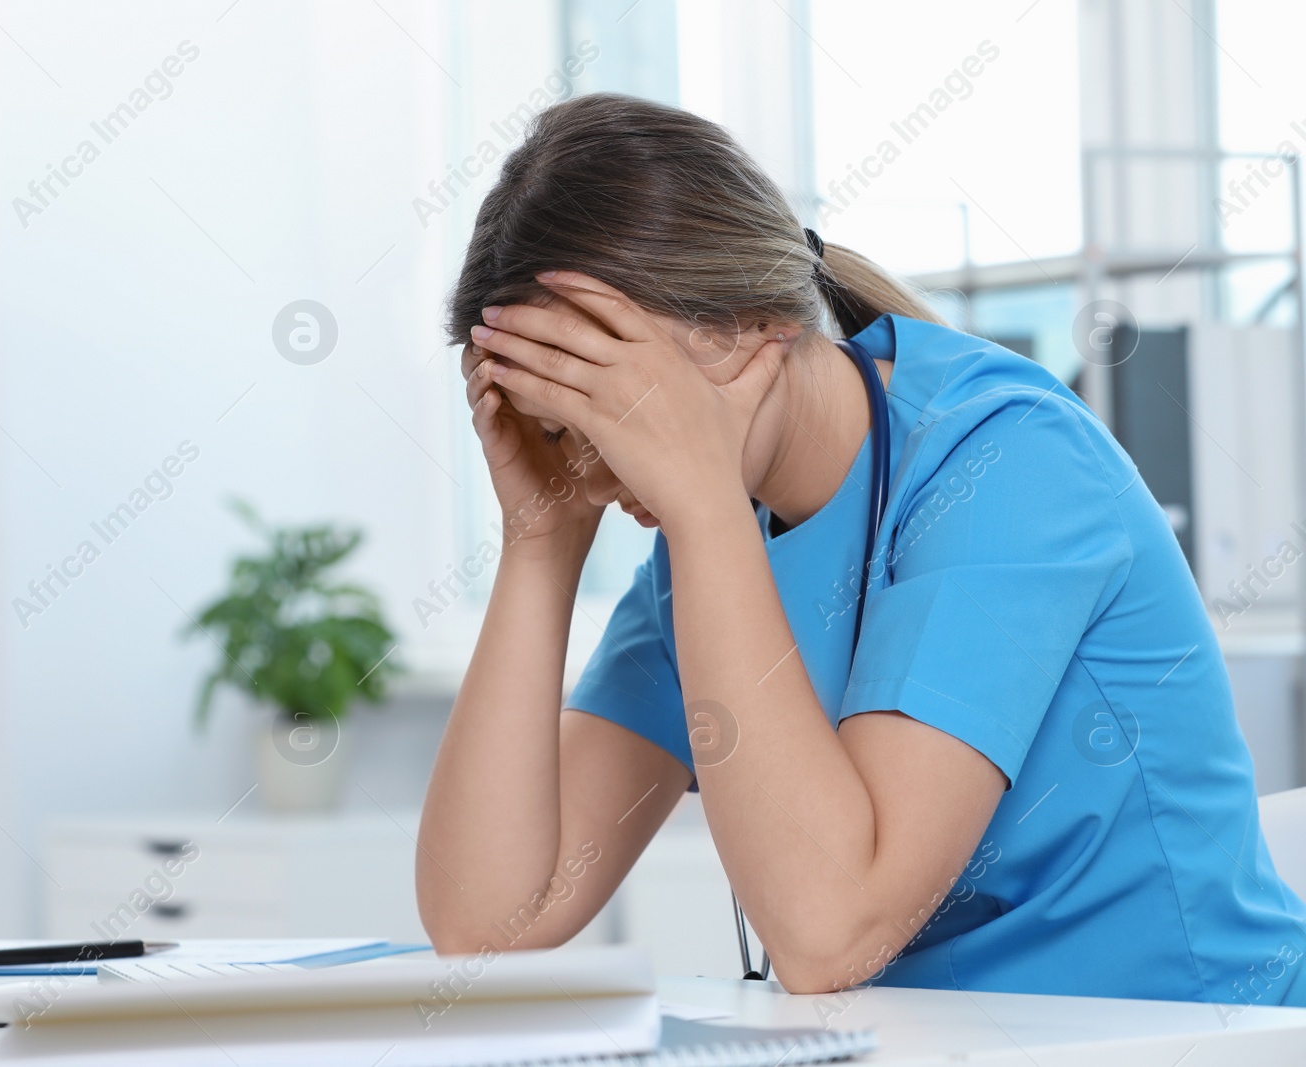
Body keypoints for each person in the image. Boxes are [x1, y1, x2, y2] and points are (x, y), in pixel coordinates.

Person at [414, 92, 1306, 1007]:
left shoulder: (1007, 463)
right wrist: (540, 542)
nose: (596, 479)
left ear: (742, 329)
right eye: (562, 435)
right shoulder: (709, 546)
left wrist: (709, 514)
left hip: (1197, 1029)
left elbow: (830, 933)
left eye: (605, 409)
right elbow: (487, 924)